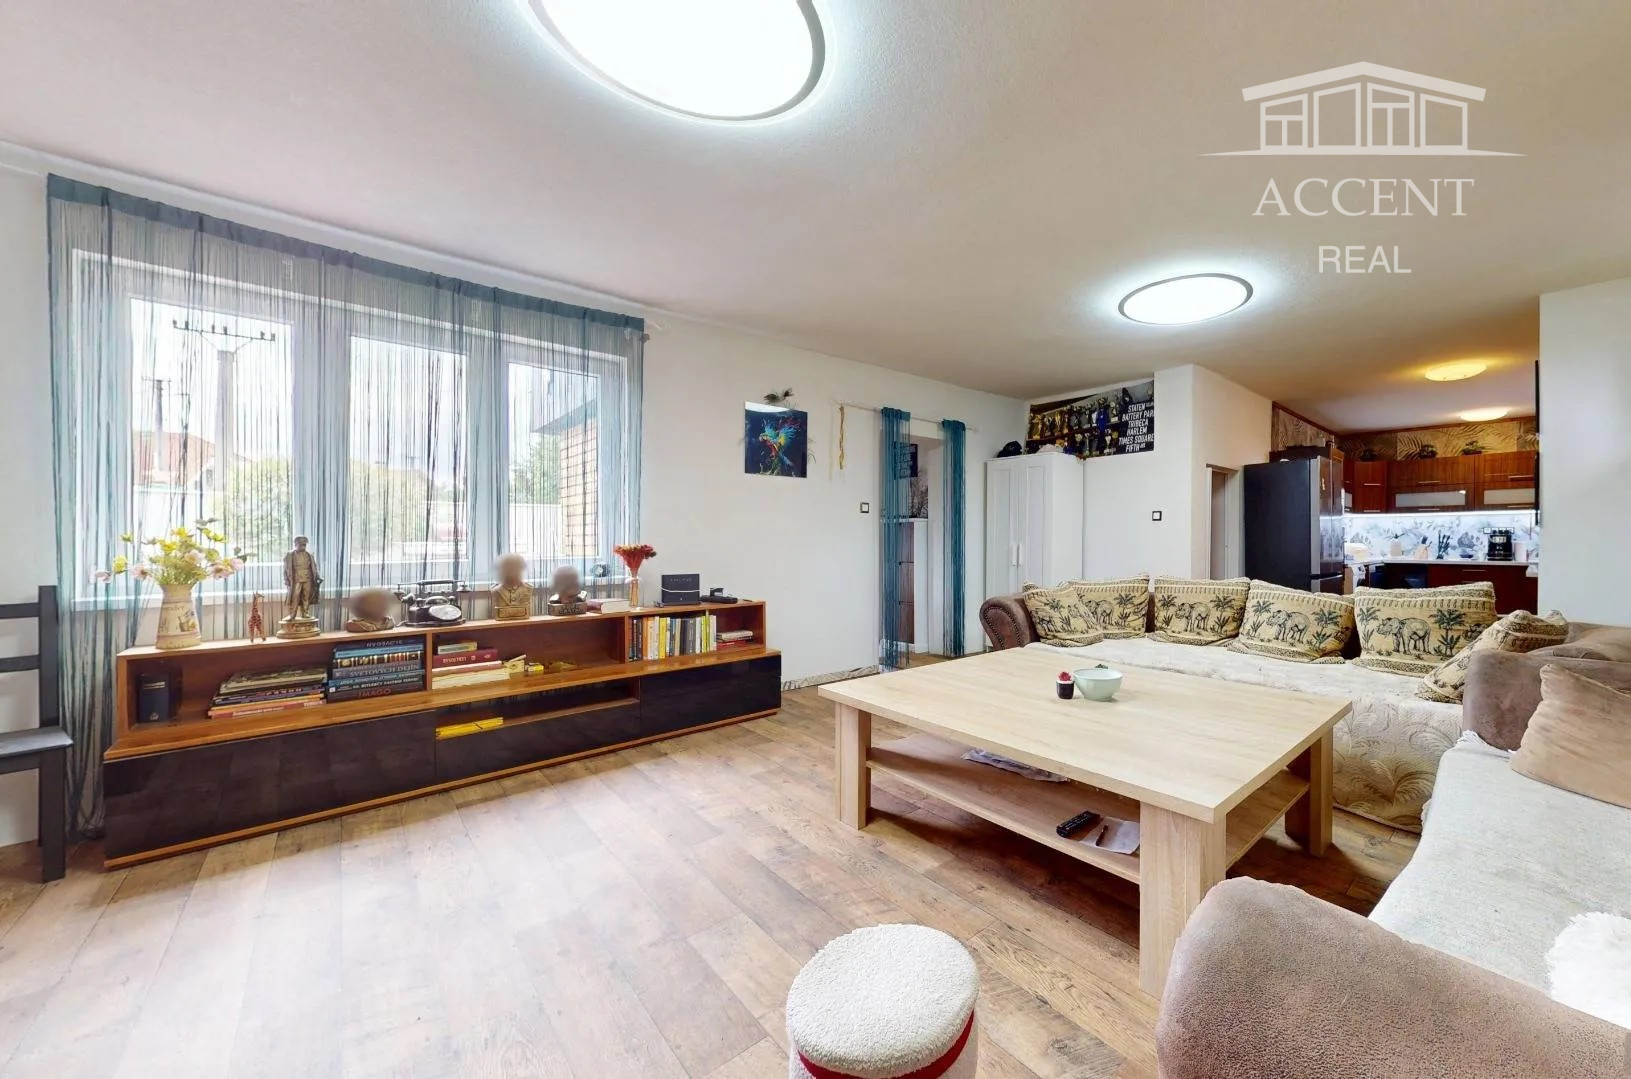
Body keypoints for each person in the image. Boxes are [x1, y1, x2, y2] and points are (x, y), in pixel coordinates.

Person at [283, 536, 321, 620]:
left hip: (307, 578)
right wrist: (286, 579)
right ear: (296, 544)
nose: (303, 546)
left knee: (306, 596)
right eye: (301, 544)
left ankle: (305, 613)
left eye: (304, 545)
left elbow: (314, 567)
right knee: (295, 597)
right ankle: (292, 614)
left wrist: (317, 577)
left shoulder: (309, 555)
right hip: (296, 580)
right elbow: (286, 569)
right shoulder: (290, 555)